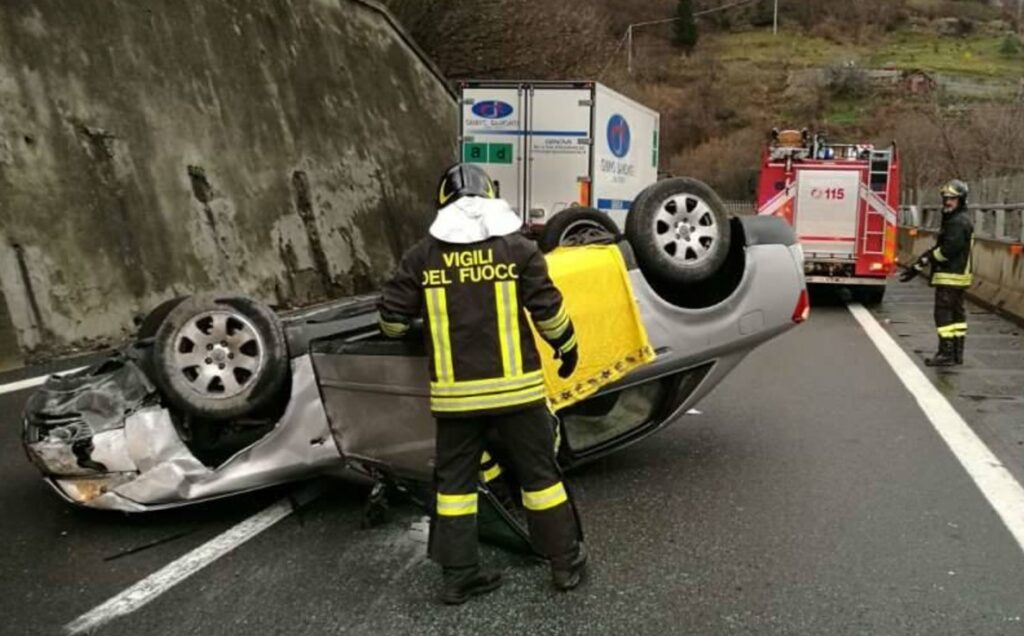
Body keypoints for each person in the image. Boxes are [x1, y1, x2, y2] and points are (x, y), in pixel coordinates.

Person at [377, 163, 587, 604]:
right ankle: (564, 565)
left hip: (455, 401)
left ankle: (459, 576)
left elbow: (391, 322)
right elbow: (548, 312)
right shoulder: (519, 250)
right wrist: (567, 349)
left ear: (442, 203)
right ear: (491, 197)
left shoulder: (422, 256)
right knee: (540, 478)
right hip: (518, 394)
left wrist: (421, 329)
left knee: (454, 486)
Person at [899, 179, 974, 366]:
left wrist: (928, 259)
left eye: (952, 199)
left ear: (961, 200)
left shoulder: (957, 222)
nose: (947, 202)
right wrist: (921, 262)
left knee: (943, 314)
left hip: (950, 276)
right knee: (957, 316)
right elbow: (944, 246)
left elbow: (949, 249)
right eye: (946, 198)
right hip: (958, 277)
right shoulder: (958, 219)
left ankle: (946, 353)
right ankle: (957, 354)